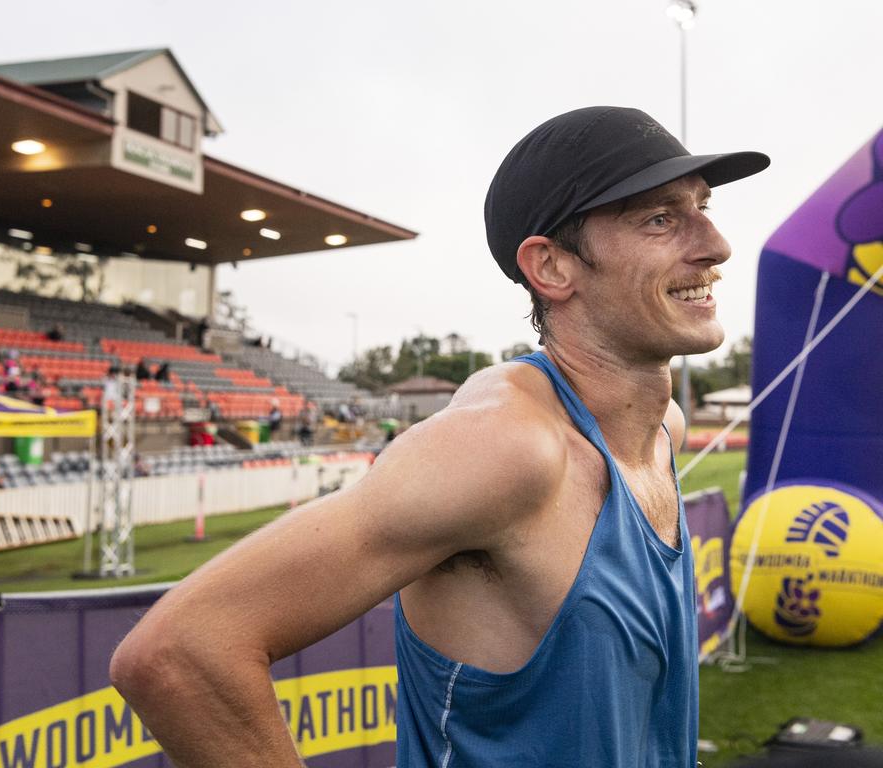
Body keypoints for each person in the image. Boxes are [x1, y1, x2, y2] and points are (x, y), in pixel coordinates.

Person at [109, 106, 770, 766]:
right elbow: (181, 649)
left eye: (702, 208)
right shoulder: (507, 448)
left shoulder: (661, 430)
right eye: (661, 218)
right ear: (552, 268)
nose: (715, 245)